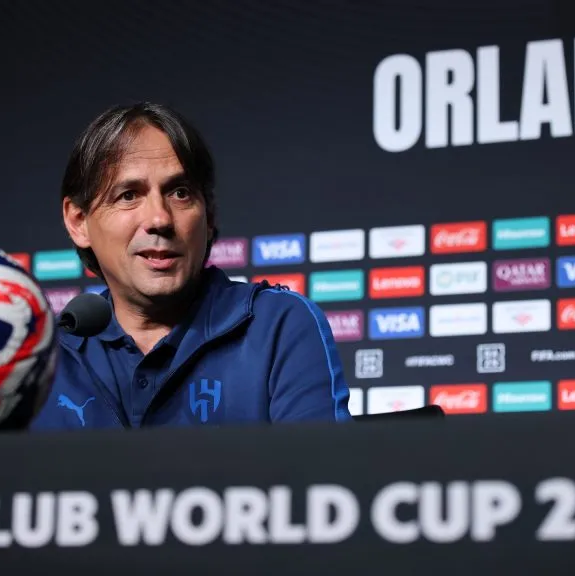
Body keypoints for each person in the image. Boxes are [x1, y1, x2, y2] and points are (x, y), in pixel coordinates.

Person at [31, 102, 352, 430]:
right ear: (78, 221)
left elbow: (322, 477)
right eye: (128, 195)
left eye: (180, 193)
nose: (159, 218)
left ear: (209, 216)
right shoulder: (43, 359)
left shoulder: (279, 325)